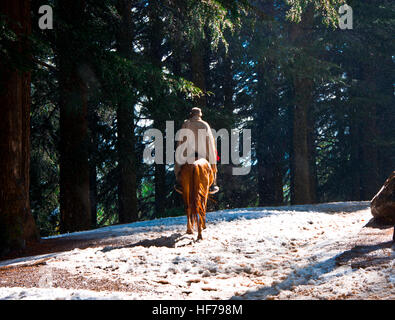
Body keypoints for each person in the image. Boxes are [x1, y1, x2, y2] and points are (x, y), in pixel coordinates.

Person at [174, 107, 219, 194]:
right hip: (203, 156)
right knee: (213, 167)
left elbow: (180, 142)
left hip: (187, 156)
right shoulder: (205, 125)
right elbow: (210, 143)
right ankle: (213, 184)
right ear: (200, 114)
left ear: (191, 114)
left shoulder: (186, 124)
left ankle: (178, 182)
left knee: (178, 167)